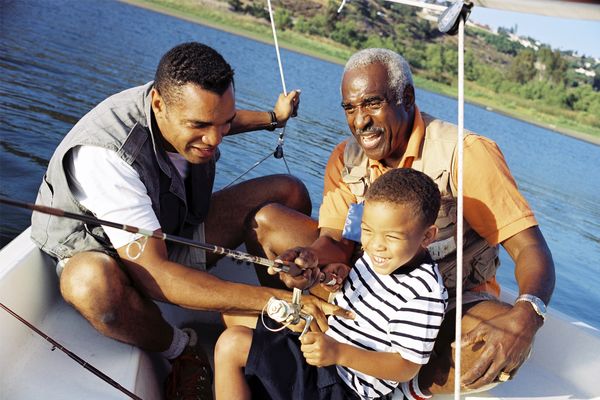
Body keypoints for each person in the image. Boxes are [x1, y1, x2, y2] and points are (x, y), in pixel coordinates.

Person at [29, 42, 350, 400]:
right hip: (118, 259)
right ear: (158, 105)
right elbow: (156, 275)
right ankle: (183, 350)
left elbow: (217, 118)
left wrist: (273, 118)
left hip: (172, 227)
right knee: (89, 284)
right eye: (199, 126)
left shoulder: (192, 113)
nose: (214, 139)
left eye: (223, 123)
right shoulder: (106, 156)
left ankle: (295, 325)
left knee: (288, 191)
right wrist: (273, 301)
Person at [252, 48, 555, 395]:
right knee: (269, 222)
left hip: (450, 298)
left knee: (490, 347)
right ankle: (322, 345)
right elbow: (335, 241)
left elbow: (530, 246)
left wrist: (527, 316)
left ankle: (408, 389)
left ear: (406, 98)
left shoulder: (466, 153)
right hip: (367, 286)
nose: (360, 120)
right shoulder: (344, 157)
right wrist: (309, 257)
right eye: (350, 108)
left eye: (372, 103)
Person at [214, 168, 448, 400]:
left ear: (427, 236)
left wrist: (338, 353)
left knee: (232, 344)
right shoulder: (379, 257)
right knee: (232, 315)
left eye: (392, 237)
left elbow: (407, 366)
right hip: (323, 348)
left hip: (344, 385)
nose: (376, 245)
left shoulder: (425, 292)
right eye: (367, 231)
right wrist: (339, 280)